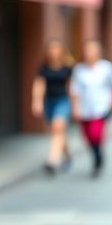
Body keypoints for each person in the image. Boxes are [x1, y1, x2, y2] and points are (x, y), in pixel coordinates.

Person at [70, 40, 112, 178]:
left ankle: (98, 158)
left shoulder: (106, 67)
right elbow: (75, 90)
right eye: (87, 50)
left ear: (98, 52)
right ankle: (96, 153)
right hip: (84, 108)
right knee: (88, 136)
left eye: (92, 50)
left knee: (95, 133)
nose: (89, 53)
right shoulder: (79, 69)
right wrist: (75, 107)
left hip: (101, 107)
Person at [31, 40, 73, 175]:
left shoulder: (68, 67)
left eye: (56, 48)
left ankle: (52, 161)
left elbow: (72, 86)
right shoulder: (44, 68)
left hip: (63, 100)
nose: (54, 51)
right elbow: (39, 84)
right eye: (51, 49)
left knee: (57, 128)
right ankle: (67, 155)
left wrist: (75, 103)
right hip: (49, 101)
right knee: (57, 132)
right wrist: (36, 101)